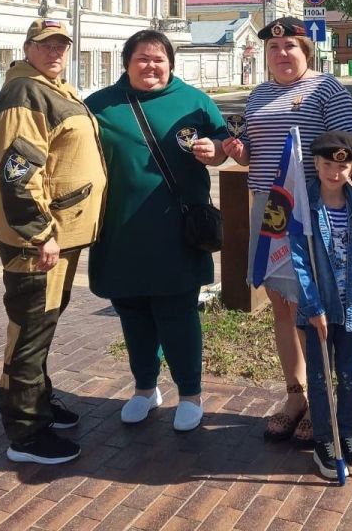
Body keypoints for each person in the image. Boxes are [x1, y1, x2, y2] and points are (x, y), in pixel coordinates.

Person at [222, 16, 352, 444]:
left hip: (315, 213)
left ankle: (324, 400)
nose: (282, 54)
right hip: (270, 212)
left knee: (315, 307)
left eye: (290, 46)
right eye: (274, 49)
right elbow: (255, 156)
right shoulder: (258, 95)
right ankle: (297, 394)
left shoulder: (325, 89)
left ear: (305, 51)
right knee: (281, 304)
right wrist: (239, 151)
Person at [86, 29, 228, 432]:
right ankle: (145, 389)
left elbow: (223, 145)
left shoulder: (194, 102)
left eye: (158, 59)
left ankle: (191, 393)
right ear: (127, 63)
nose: (151, 66)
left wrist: (213, 151)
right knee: (132, 312)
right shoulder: (99, 106)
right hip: (120, 231)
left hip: (176, 230)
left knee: (177, 312)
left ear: (170, 63)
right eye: (142, 59)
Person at [0, 18, 108, 465]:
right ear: (27, 47)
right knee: (28, 332)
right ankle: (25, 431)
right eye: (45, 45)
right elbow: (18, 173)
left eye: (61, 44)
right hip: (39, 238)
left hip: (61, 234)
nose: (55, 51)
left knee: (43, 325)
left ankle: (39, 399)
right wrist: (39, 233)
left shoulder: (52, 86)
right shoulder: (26, 93)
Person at [290, 131, 352, 481]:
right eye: (326, 164)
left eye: (341, 167)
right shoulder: (305, 206)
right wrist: (313, 307)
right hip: (320, 313)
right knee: (319, 377)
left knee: (349, 376)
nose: (333, 172)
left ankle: (347, 435)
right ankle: (324, 441)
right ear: (315, 164)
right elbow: (300, 260)